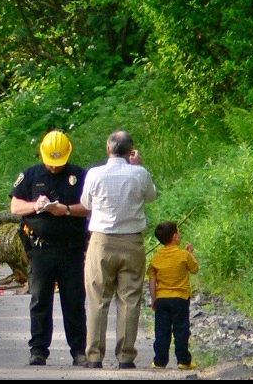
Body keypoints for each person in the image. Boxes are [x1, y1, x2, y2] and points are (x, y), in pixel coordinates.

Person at [10, 130, 89, 367]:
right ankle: (38, 350)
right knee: (39, 299)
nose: (54, 168)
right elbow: (15, 206)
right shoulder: (30, 175)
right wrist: (36, 206)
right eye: (51, 163)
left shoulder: (79, 175)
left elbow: (90, 207)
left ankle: (79, 350)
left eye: (59, 164)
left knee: (74, 300)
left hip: (71, 249)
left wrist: (64, 209)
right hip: (40, 249)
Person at [80, 129, 157, 368]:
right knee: (130, 299)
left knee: (97, 299)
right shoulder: (140, 173)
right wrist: (135, 166)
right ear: (129, 150)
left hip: (102, 240)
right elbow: (151, 196)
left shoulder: (94, 173)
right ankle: (125, 356)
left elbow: (85, 203)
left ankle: (94, 356)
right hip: (132, 241)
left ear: (108, 149)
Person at [148, 221, 199, 370]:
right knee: (181, 329)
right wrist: (190, 254)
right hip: (180, 299)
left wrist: (153, 299)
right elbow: (194, 269)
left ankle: (159, 361)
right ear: (175, 236)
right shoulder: (183, 255)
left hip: (162, 299)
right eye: (179, 232)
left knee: (162, 331)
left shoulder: (156, 257)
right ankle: (183, 360)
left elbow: (152, 280)